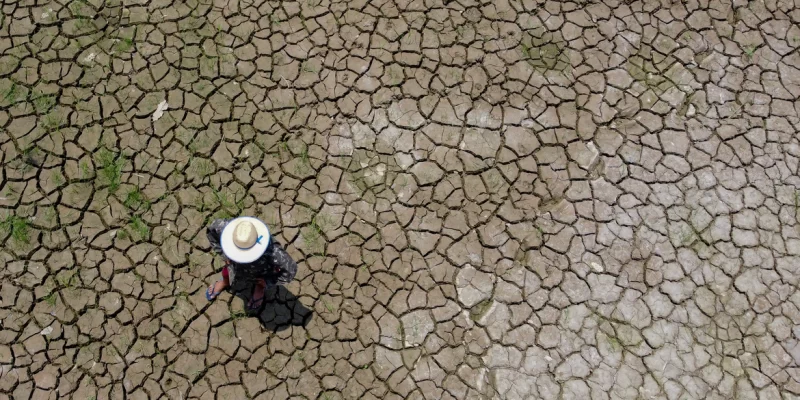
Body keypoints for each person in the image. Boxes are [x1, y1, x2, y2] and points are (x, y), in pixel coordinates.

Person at [204, 217, 297, 312]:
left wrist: (268, 282)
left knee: (259, 281)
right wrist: (225, 255)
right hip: (233, 265)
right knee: (227, 273)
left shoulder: (272, 251)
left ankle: (259, 288)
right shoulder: (224, 228)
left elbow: (291, 269)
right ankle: (225, 281)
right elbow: (211, 233)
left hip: (259, 271)